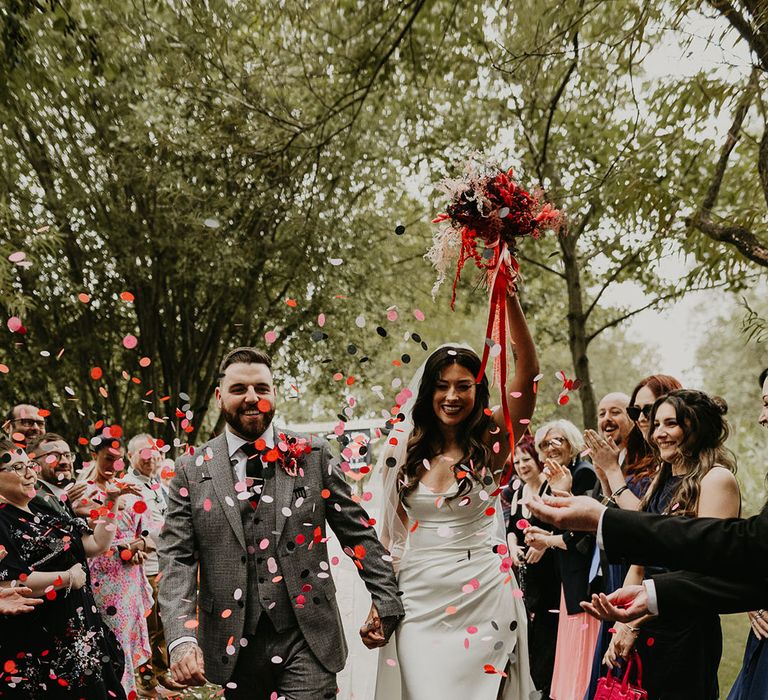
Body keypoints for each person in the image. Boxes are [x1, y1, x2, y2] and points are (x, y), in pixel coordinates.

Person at [158, 347, 404, 700]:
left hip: (307, 635)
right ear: (219, 396)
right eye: (239, 389)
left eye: (261, 388)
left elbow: (356, 530)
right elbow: (177, 558)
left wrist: (386, 598)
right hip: (233, 643)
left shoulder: (313, 455)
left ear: (274, 392)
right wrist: (182, 637)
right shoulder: (190, 469)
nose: (251, 398)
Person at [374, 291, 538, 700]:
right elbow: (388, 540)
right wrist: (381, 603)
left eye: (464, 386)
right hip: (418, 600)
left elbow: (529, 372)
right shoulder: (405, 450)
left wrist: (510, 299)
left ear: (477, 391)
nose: (452, 396)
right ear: (428, 392)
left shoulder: (494, 439)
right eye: (443, 386)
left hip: (482, 596)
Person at [600, 390, 740, 699]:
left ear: (696, 427)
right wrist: (622, 626)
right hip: (644, 620)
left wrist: (634, 623)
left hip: (685, 630)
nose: (659, 433)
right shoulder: (659, 481)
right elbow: (639, 562)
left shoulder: (715, 480)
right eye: (656, 424)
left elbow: (704, 571)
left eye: (671, 424)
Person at [0, 439, 129, 698]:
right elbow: (9, 583)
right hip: (44, 641)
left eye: (30, 465)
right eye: (17, 468)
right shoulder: (2, 520)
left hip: (83, 632)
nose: (29, 473)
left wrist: (112, 503)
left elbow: (96, 544)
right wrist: (66, 578)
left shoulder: (44, 508)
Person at [75, 431, 154, 699]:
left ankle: (129, 692)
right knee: (108, 645)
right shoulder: (81, 493)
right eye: (108, 459)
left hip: (129, 581)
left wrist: (137, 547)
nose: (113, 466)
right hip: (99, 582)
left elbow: (149, 536)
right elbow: (81, 539)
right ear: (94, 455)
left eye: (119, 461)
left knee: (126, 644)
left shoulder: (130, 490)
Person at [528, 419, 598, 700]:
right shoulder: (554, 478)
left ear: (572, 443)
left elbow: (581, 533)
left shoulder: (583, 474)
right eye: (545, 444)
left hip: (580, 581)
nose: (551, 447)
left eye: (558, 440)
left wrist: (546, 541)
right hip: (557, 582)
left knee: (580, 660)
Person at [506, 435, 559, 699]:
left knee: (548, 636)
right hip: (525, 575)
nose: (521, 465)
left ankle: (546, 687)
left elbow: (562, 528)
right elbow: (511, 528)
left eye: (526, 459)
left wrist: (544, 545)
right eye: (516, 461)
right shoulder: (517, 490)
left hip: (550, 574)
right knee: (529, 632)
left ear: (538, 459)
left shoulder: (551, 489)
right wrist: (513, 546)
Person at [123, 433, 175, 697]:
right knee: (148, 627)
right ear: (130, 456)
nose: (151, 457)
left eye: (155, 452)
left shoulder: (159, 486)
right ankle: (146, 680)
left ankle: (161, 671)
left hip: (165, 565)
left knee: (164, 624)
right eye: (144, 453)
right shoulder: (127, 487)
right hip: (145, 568)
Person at [26, 432, 87, 517]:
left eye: (67, 455)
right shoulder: (35, 498)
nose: (64, 462)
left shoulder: (72, 499)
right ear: (34, 465)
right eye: (54, 456)